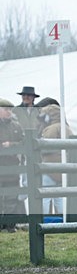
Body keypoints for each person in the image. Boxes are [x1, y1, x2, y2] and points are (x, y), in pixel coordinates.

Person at [38, 103, 74, 215]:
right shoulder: (66, 128)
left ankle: (43, 220)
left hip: (50, 168)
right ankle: (62, 220)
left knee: (45, 196)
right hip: (63, 168)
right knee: (59, 196)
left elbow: (45, 147)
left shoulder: (51, 129)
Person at [0, 99, 24, 231]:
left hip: (12, 168)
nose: (9, 112)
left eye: (10, 109)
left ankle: (10, 225)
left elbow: (25, 143)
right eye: (6, 109)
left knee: (12, 197)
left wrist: (11, 145)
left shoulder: (16, 126)